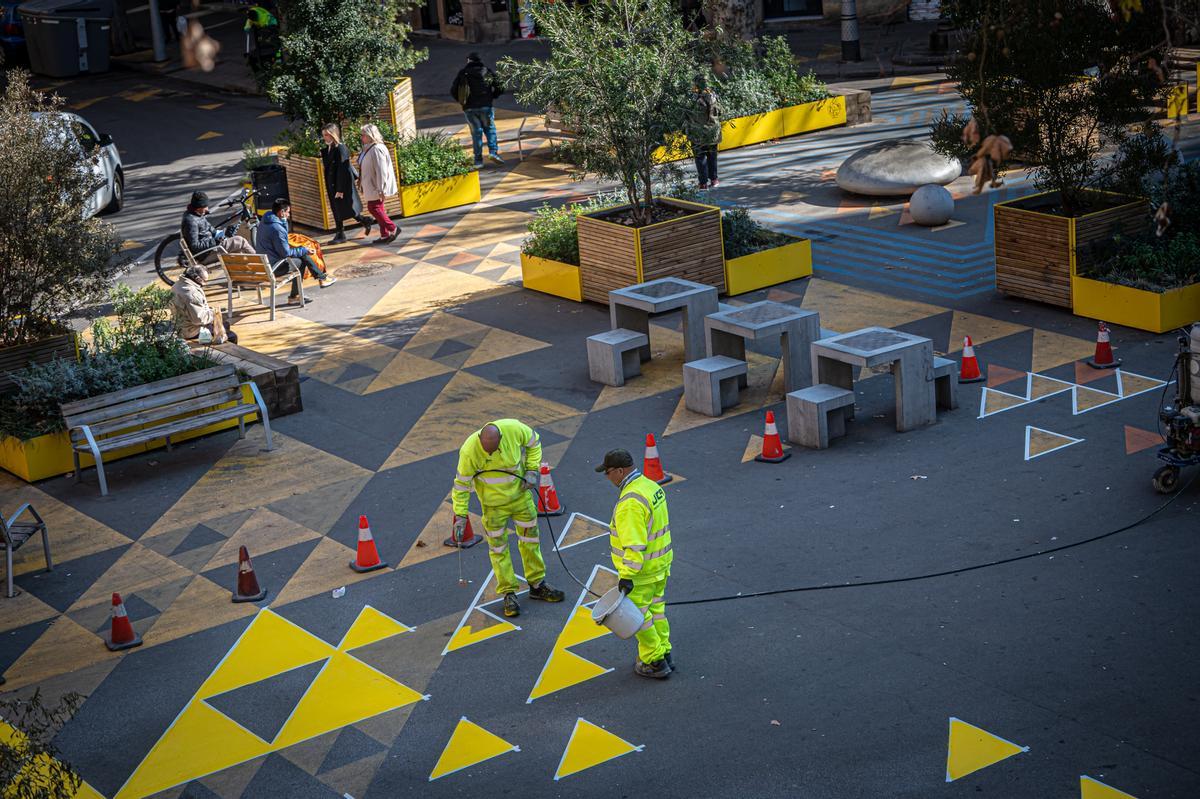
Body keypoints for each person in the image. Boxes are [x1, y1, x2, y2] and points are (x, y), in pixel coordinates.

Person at [452, 420, 565, 618]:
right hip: (493, 507)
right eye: (486, 451)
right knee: (498, 549)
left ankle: (537, 585)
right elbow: (461, 485)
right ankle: (508, 592)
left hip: (520, 498)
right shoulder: (469, 451)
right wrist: (460, 515)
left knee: (531, 541)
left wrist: (531, 470)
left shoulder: (514, 429)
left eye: (494, 450)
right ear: (480, 439)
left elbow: (534, 442)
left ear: (501, 439)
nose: (490, 455)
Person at [596, 448, 673, 679]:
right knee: (656, 610)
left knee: (639, 616)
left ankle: (654, 660)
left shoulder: (630, 502)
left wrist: (627, 575)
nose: (607, 477)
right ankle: (665, 651)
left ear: (620, 471)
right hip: (660, 564)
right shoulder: (651, 486)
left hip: (642, 572)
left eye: (608, 472)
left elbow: (635, 545)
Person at [256, 197, 336, 305]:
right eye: (288, 212)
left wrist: (284, 222)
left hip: (265, 264)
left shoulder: (265, 221)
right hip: (274, 267)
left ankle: (320, 278)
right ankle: (298, 293)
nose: (289, 215)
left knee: (301, 254)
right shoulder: (276, 229)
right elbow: (285, 253)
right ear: (282, 212)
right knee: (301, 260)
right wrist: (304, 250)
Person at [320, 123, 375, 245]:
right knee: (339, 208)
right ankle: (364, 221)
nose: (325, 138)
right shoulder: (328, 148)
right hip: (332, 184)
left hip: (340, 185)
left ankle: (341, 233)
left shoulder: (340, 148)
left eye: (327, 135)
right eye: (323, 135)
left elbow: (343, 170)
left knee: (344, 208)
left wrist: (340, 189)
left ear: (333, 135)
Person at [450, 52, 505, 168]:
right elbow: (500, 86)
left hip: (469, 109)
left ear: (469, 61)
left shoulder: (463, 73)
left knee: (476, 133)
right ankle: (493, 153)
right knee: (490, 129)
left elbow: (453, 91)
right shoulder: (487, 71)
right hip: (486, 106)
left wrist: (462, 102)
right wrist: (492, 96)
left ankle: (478, 161)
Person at [180, 191, 255, 264]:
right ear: (198, 207)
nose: (207, 209)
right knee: (240, 241)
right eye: (205, 207)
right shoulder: (191, 221)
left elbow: (211, 230)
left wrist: (223, 233)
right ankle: (262, 264)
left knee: (238, 249)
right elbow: (195, 246)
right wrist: (215, 241)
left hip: (211, 248)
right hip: (206, 254)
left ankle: (249, 270)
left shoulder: (197, 215)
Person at [170, 264, 237, 344]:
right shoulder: (192, 293)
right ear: (198, 279)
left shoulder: (177, 285)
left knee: (225, 324)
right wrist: (213, 314)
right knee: (232, 336)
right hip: (190, 331)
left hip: (179, 326)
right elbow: (198, 319)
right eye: (205, 281)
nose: (205, 284)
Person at [357, 123, 400, 245]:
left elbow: (381, 170)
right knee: (379, 208)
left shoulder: (377, 149)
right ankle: (384, 235)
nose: (361, 137)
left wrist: (381, 189)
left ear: (371, 135)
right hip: (371, 184)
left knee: (374, 208)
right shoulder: (368, 147)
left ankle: (393, 228)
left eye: (363, 135)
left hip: (376, 185)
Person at [689, 76, 721, 190]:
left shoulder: (692, 97)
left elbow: (686, 114)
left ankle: (703, 183)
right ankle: (714, 179)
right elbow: (720, 111)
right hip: (713, 132)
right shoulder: (713, 95)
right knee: (712, 156)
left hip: (697, 133)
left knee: (700, 157)